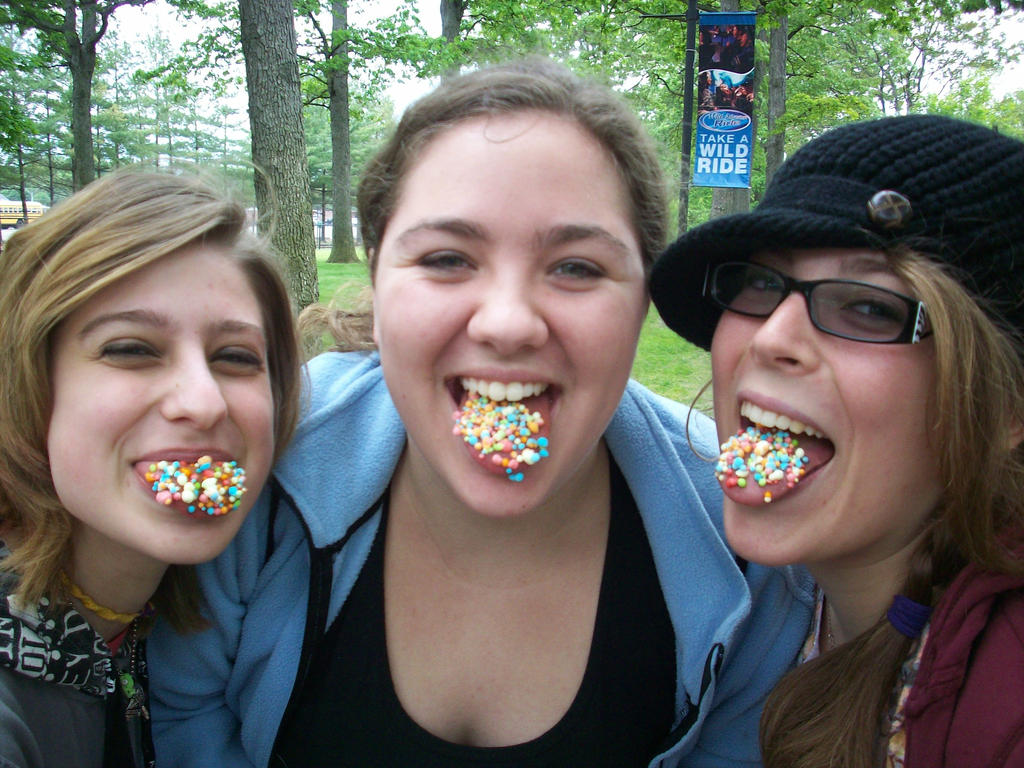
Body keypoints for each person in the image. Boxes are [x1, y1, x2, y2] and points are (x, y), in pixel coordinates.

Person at [147, 57, 812, 768]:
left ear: (642, 300)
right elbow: (185, 708)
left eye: (578, 267)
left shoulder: (746, 538)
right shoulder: (262, 465)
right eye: (446, 259)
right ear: (376, 278)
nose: (507, 324)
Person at [649, 114, 1024, 768]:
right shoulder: (755, 598)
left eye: (871, 307)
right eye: (761, 284)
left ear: (1006, 411)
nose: (770, 338)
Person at [0, 169, 303, 768]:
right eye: (131, 348)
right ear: (31, 386)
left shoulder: (171, 610)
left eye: (236, 357)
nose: (203, 401)